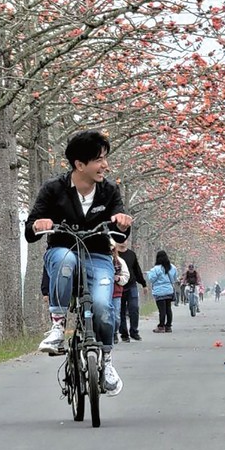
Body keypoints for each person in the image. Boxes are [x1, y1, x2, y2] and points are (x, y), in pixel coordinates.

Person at [25, 129, 133, 396]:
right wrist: (40, 223)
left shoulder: (109, 190)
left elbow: (120, 234)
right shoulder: (53, 189)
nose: (104, 166)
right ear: (79, 165)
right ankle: (58, 327)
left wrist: (122, 222)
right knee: (65, 258)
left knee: (102, 307)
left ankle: (106, 362)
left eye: (105, 158)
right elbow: (30, 231)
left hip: (97, 256)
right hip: (62, 250)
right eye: (98, 160)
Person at [116, 239, 147, 342]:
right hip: (119, 286)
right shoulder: (114, 254)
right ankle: (124, 334)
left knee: (134, 308)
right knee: (121, 311)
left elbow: (137, 270)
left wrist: (143, 284)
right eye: (120, 240)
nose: (122, 242)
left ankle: (134, 331)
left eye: (124, 240)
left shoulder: (131, 254)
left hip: (131, 285)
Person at [147, 250, 178, 333]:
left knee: (162, 310)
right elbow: (175, 279)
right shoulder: (173, 267)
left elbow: (151, 279)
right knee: (168, 309)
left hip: (159, 291)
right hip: (169, 290)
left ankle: (161, 326)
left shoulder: (155, 269)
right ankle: (168, 326)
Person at [112, 243, 130, 344]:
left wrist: (118, 278)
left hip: (116, 292)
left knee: (116, 316)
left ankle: (114, 332)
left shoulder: (120, 261)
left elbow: (126, 276)